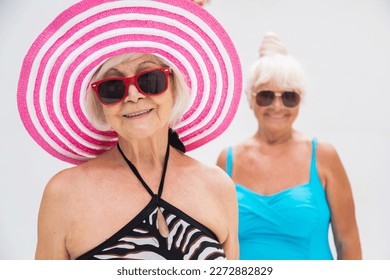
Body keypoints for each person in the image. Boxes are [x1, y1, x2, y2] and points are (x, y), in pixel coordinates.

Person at [17, 0, 242, 260]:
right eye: (113, 87)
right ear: (100, 104)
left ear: (175, 87)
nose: (133, 95)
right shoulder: (64, 194)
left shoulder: (218, 187)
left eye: (150, 79)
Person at [216, 32, 362, 260]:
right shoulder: (228, 160)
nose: (277, 106)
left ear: (300, 100)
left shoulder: (323, 156)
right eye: (265, 96)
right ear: (250, 98)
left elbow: (348, 243)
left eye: (289, 97)